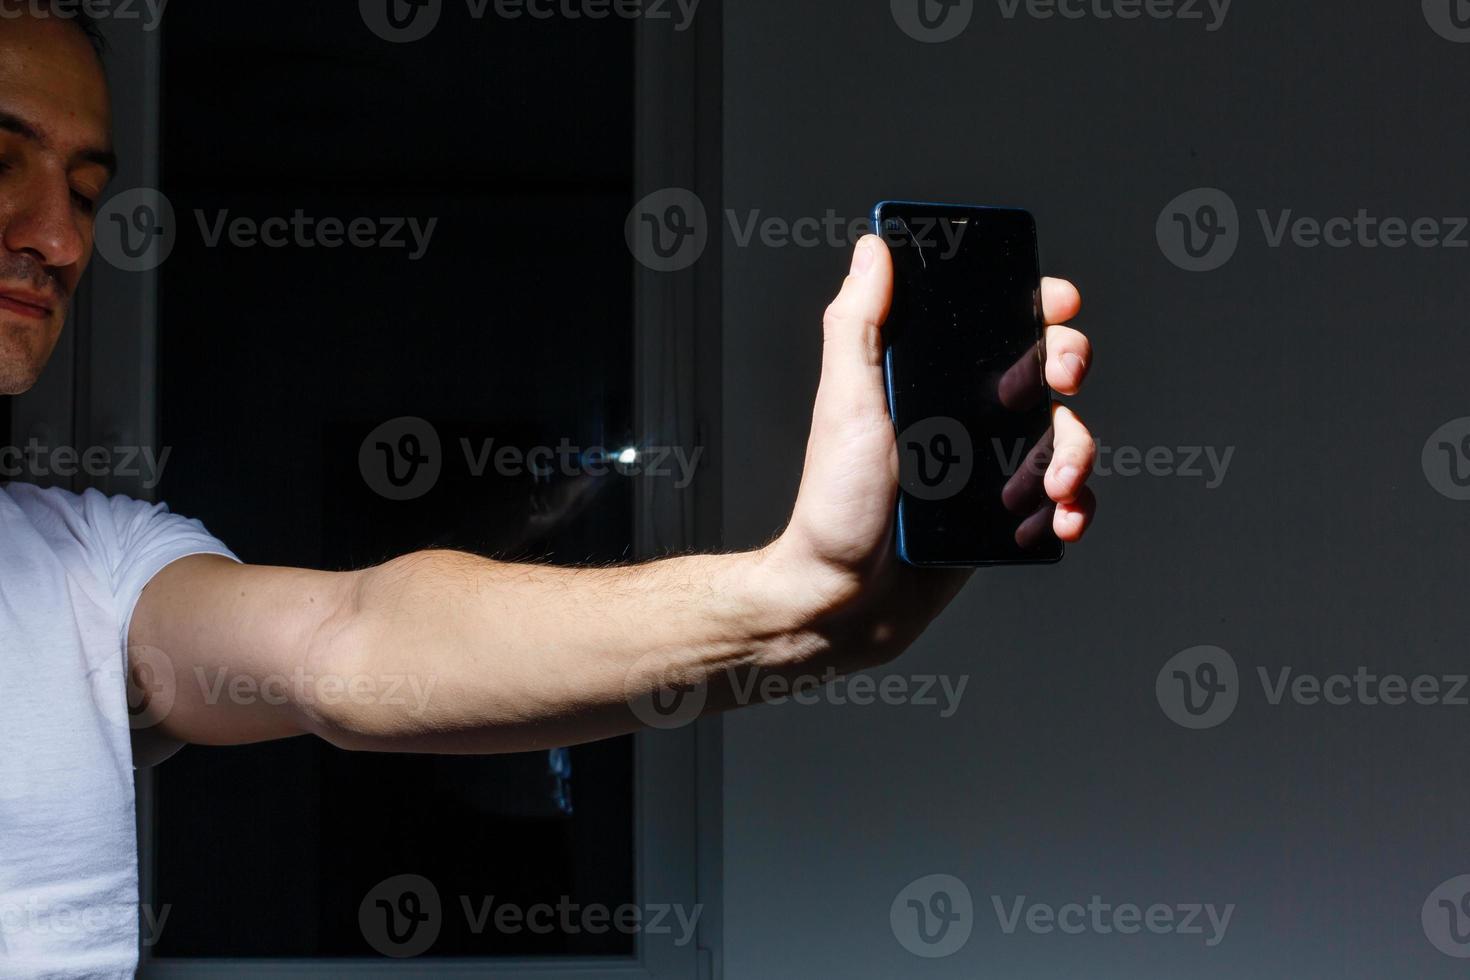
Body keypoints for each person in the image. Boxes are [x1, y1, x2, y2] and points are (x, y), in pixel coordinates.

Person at [0, 4, 1098, 976]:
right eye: (3, 157)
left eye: (87, 192)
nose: (57, 235)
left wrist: (795, 595)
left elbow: (350, 640)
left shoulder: (84, 572)